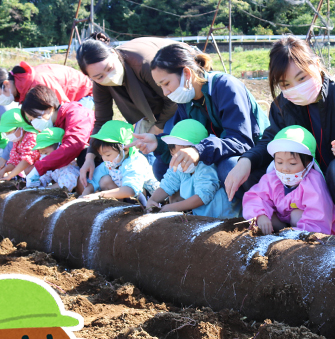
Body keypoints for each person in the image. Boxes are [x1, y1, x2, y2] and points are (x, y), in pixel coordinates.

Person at [224, 36, 335, 244]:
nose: (295, 87)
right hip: (306, 187)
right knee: (252, 176)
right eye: (285, 84)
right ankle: (285, 227)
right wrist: (245, 161)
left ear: (316, 64)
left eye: (302, 78)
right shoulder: (282, 105)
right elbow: (270, 139)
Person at [130, 42, 269, 194]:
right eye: (160, 86)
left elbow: (241, 141)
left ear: (187, 74)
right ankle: (193, 204)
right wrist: (159, 143)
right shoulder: (185, 99)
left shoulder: (226, 86)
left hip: (254, 156)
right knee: (162, 166)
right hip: (214, 152)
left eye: (166, 83)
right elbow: (184, 141)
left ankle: (244, 210)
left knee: (228, 167)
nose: (165, 92)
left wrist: (199, 150)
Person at [76, 33, 180, 186]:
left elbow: (172, 98)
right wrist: (90, 157)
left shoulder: (143, 64)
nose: (108, 77)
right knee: (145, 154)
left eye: (109, 68)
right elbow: (102, 121)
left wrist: (157, 128)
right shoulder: (100, 84)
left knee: (165, 162)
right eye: (98, 76)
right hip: (149, 112)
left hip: (178, 98)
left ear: (113, 53)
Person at [242, 126, 335, 236]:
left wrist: (300, 234)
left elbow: (318, 215)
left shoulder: (312, 183)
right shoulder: (272, 179)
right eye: (279, 162)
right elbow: (256, 197)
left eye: (293, 163)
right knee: (268, 216)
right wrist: (260, 216)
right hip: (283, 224)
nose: (285, 168)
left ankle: (297, 236)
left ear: (309, 163)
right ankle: (281, 233)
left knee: (296, 215)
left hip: (310, 228)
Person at [147, 119, 240, 218]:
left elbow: (203, 197)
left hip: (222, 219)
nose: (178, 160)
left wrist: (172, 208)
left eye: (182, 157)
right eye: (174, 155)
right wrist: (153, 200)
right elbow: (168, 184)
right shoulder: (180, 167)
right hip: (202, 218)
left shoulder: (206, 166)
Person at [20, 85, 94, 194]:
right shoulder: (54, 125)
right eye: (30, 120)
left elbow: (73, 145)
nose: (34, 123)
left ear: (49, 108)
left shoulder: (76, 113)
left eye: (34, 117)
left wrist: (38, 168)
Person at [81, 120, 159, 202]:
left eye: (108, 155)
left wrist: (100, 195)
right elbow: (93, 182)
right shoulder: (109, 163)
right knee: (104, 180)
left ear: (125, 150)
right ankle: (119, 206)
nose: (104, 159)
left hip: (147, 196)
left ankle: (140, 209)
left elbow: (131, 190)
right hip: (125, 193)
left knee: (139, 192)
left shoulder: (135, 163)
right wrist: (84, 195)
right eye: (101, 155)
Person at [0, 61, 93, 108]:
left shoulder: (38, 84)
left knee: (71, 128)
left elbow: (63, 108)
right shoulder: (22, 88)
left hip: (84, 94)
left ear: (6, 84)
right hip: (70, 98)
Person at [0, 109, 39, 181]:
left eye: (9, 132)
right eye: (6, 133)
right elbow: (14, 161)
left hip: (41, 172)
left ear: (21, 128)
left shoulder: (32, 137)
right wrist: (4, 170)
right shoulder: (17, 141)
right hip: (30, 173)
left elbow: (26, 161)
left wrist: (10, 176)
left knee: (29, 169)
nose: (8, 135)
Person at [29, 128, 81, 192]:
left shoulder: (68, 166)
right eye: (41, 153)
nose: (43, 156)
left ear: (59, 148)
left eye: (45, 153)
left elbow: (65, 185)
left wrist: (45, 189)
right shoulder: (51, 166)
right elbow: (45, 177)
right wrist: (35, 183)